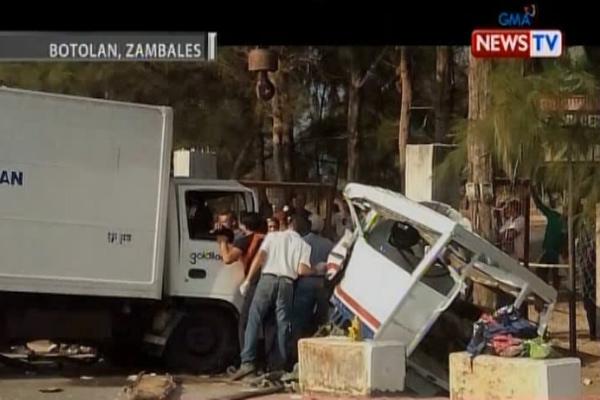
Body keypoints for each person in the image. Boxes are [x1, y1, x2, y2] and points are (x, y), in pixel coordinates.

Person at [231, 215, 313, 379]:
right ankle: (280, 364)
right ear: (303, 231)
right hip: (287, 284)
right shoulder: (303, 244)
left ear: (289, 225)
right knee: (282, 324)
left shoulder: (273, 236)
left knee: (254, 319)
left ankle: (248, 362)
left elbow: (260, 258)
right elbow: (302, 270)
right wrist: (317, 269)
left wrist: (247, 281)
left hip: (267, 280)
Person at [216, 213, 266, 348]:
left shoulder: (245, 241)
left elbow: (227, 258)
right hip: (269, 280)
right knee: (268, 321)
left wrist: (222, 241)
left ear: (244, 225)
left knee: (245, 321)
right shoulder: (266, 238)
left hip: (255, 282)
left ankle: (246, 358)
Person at [290, 214, 334, 361]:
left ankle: (296, 355)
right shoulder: (329, 244)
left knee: (299, 321)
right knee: (322, 321)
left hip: (304, 284)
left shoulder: (301, 242)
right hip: (322, 285)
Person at [532, 188, 566, 291]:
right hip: (549, 250)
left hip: (557, 252)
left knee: (557, 273)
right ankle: (547, 290)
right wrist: (533, 192)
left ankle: (554, 292)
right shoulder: (553, 215)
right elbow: (540, 206)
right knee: (541, 270)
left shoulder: (566, 222)